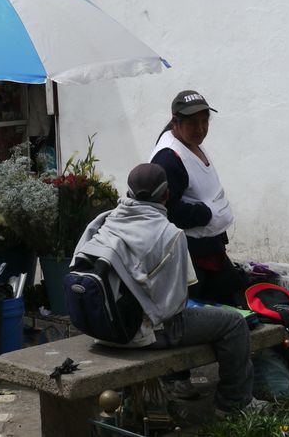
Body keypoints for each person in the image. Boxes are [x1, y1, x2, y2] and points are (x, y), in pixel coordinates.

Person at [70, 163, 256, 416]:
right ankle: (234, 404)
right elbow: (174, 307)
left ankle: (177, 386)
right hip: (141, 335)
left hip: (102, 328)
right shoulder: (170, 233)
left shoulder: (103, 221)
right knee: (234, 323)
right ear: (167, 195)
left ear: (129, 193)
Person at [150, 90, 241, 306]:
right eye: (193, 123)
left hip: (211, 249)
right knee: (209, 306)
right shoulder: (168, 159)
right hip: (191, 256)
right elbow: (165, 210)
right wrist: (205, 213)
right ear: (176, 122)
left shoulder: (190, 144)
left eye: (204, 121)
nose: (200, 129)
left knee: (234, 298)